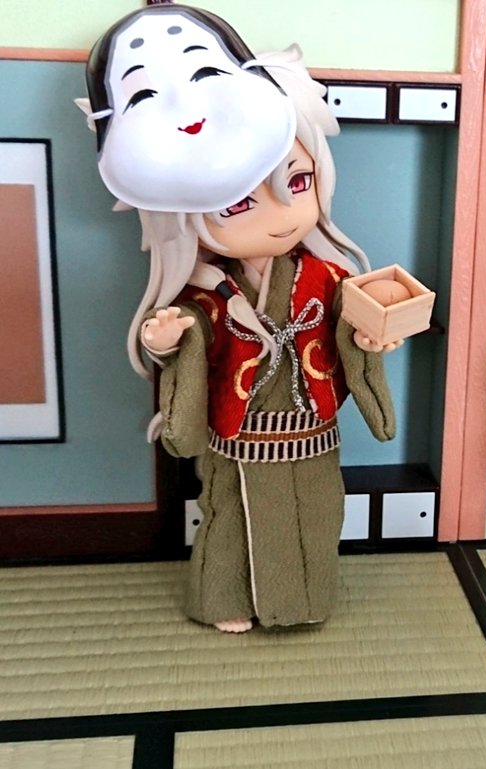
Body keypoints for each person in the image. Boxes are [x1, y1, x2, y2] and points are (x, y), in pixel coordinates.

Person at [82, 6, 398, 633]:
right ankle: (224, 601)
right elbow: (190, 334)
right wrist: (167, 339)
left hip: (311, 432)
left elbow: (351, 326)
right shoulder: (208, 291)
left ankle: (304, 603)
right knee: (228, 516)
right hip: (241, 432)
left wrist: (367, 335)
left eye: (297, 183)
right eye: (237, 204)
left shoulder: (326, 277)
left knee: (317, 514)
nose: (281, 214)